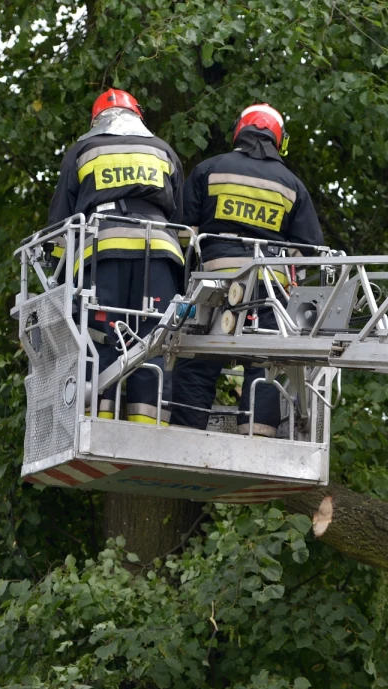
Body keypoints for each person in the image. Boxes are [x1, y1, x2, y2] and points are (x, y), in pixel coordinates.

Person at [170, 103, 324, 436]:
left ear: (239, 130)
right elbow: (310, 248)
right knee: (264, 362)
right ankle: (259, 436)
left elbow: (182, 229)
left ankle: (185, 436)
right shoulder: (292, 185)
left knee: (197, 359)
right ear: (278, 139)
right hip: (270, 288)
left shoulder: (210, 169)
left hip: (215, 281)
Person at [47, 88, 186, 424]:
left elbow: (61, 225)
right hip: (160, 253)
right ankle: (148, 431)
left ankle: (96, 423)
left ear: (96, 120)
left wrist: (57, 276)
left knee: (100, 336)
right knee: (153, 339)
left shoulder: (84, 150)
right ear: (138, 115)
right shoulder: (163, 151)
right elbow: (180, 221)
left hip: (102, 252)